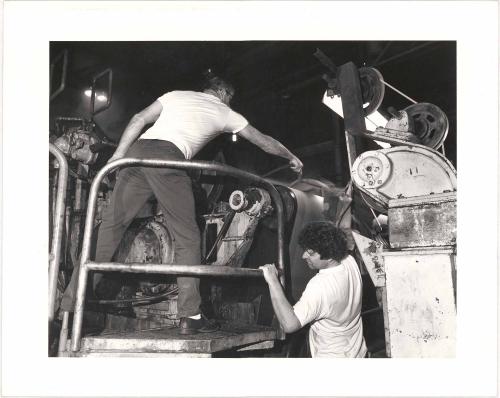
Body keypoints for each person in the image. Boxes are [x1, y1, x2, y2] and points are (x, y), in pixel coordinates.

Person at [60, 73, 303, 335]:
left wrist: (118, 156)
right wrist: (291, 156)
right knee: (187, 237)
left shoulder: (175, 95)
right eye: (230, 99)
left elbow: (138, 119)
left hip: (136, 153)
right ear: (224, 95)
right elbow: (262, 140)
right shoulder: (223, 110)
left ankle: (71, 308)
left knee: (109, 230)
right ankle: (191, 315)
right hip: (168, 158)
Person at [259, 221, 367, 357]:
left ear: (330, 257)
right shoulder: (349, 262)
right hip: (357, 351)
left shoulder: (320, 286)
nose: (304, 256)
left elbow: (290, 324)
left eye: (311, 253)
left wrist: (273, 281)